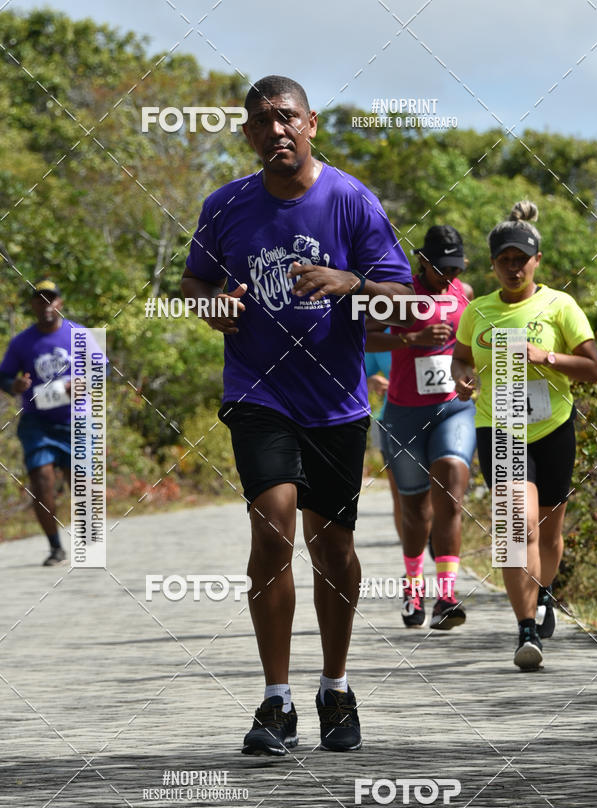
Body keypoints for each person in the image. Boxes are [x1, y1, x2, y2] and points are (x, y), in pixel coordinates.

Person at [181, 75, 414, 755]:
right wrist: (209, 305)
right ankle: (276, 700)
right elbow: (194, 280)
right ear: (247, 133)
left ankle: (335, 688)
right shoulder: (226, 206)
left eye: (285, 116)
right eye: (260, 120)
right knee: (272, 526)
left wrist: (353, 282)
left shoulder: (350, 199)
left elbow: (404, 300)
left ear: (310, 123)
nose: (274, 129)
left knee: (333, 548)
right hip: (258, 393)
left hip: (335, 401)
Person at [452, 201, 597, 669]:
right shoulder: (477, 311)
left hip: (552, 428)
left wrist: (546, 357)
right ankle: (526, 627)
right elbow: (461, 358)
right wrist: (462, 377)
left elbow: (593, 368)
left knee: (549, 535)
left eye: (522, 259)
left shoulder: (560, 305)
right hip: (499, 426)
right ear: (493, 264)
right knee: (516, 525)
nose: (514, 268)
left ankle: (545, 590)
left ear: (537, 260)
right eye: (505, 260)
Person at [367, 225, 476, 629]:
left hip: (454, 409)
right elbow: (364, 338)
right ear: (423, 262)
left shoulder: (466, 295)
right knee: (415, 510)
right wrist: (412, 337)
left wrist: (470, 376)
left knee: (451, 494)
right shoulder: (400, 295)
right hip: (404, 414)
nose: (448, 276)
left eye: (455, 268)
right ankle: (413, 587)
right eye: (440, 268)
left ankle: (446, 596)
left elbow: (471, 351)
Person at [0, 281, 76, 565]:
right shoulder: (22, 342)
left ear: (60, 304)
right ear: (33, 305)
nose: (46, 305)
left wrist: (82, 383)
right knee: (42, 481)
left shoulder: (77, 334)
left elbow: (103, 367)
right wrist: (14, 385)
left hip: (75, 420)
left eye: (51, 299)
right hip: (37, 424)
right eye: (40, 300)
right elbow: (4, 376)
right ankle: (56, 547)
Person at [365, 342, 403, 543]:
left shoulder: (441, 326)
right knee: (401, 493)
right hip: (391, 419)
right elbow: (355, 374)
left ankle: (437, 545)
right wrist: (370, 380)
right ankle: (412, 557)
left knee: (437, 487)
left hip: (438, 416)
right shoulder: (381, 332)